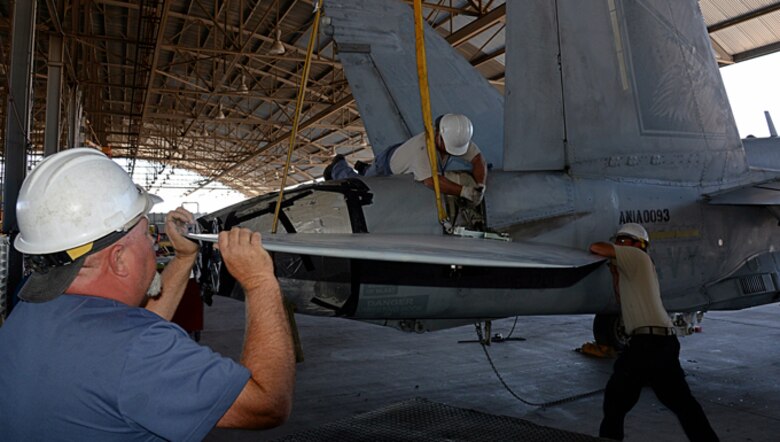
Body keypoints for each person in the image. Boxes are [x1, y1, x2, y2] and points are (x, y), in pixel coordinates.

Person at [0, 148, 295, 440]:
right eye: (147, 234)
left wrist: (182, 259)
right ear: (117, 258)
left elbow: (130, 337)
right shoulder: (135, 352)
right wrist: (259, 282)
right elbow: (268, 405)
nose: (155, 243)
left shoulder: (29, 312)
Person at [589, 223, 718, 441]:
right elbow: (622, 298)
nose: (618, 244)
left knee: (616, 399)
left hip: (649, 343)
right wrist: (615, 273)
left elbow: (596, 247)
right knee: (682, 404)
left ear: (637, 244)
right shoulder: (633, 268)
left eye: (622, 241)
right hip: (657, 343)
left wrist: (612, 250)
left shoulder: (638, 257)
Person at [326, 113, 488, 204]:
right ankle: (338, 166)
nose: (451, 152)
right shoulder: (422, 149)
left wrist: (481, 184)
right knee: (362, 185)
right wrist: (464, 191)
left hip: (402, 155)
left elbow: (478, 159)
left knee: (376, 171)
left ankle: (365, 167)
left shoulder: (457, 136)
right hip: (387, 165)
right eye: (448, 147)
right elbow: (431, 181)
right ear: (438, 134)